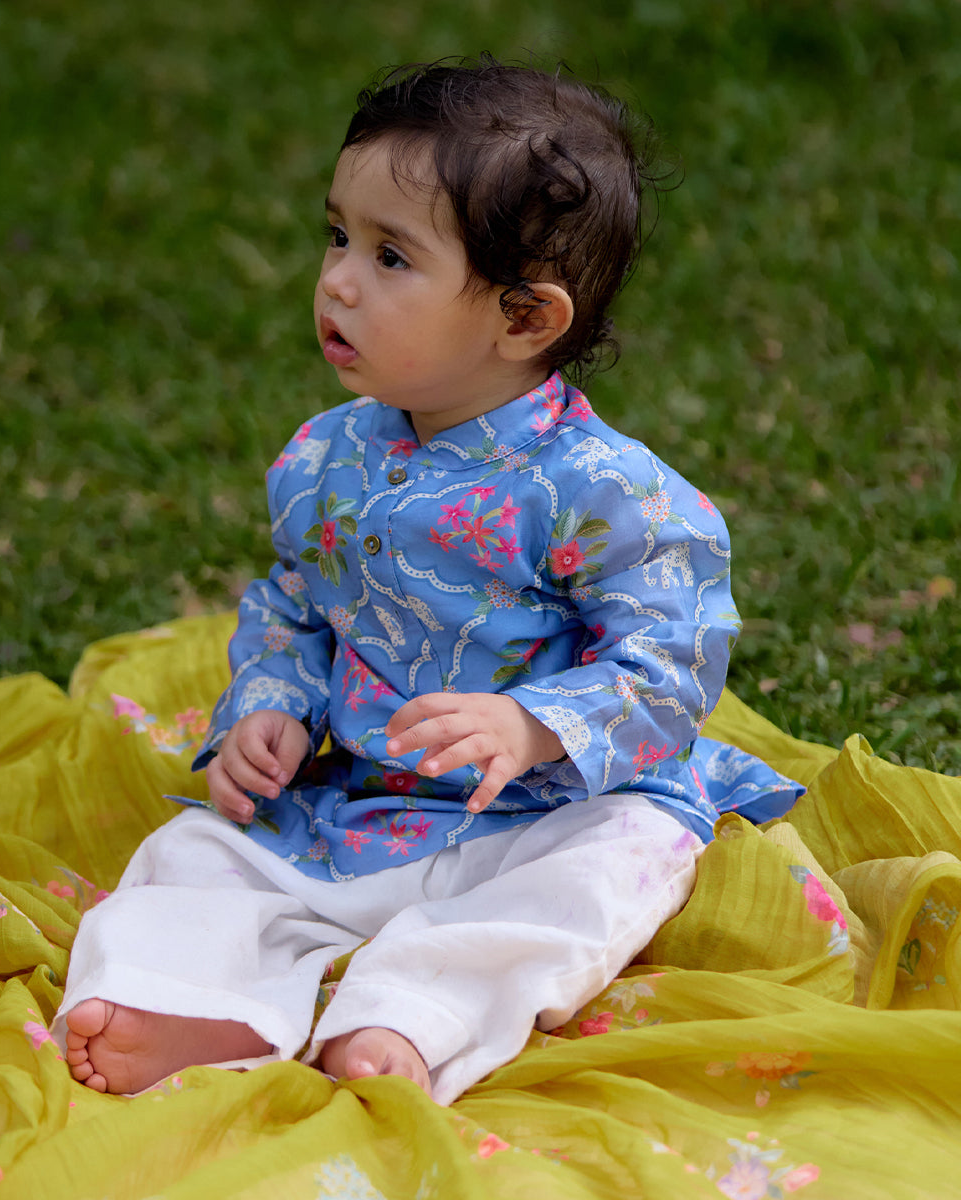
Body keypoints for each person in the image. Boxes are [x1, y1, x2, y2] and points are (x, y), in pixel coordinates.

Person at [57, 57, 801, 1105]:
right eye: (337, 236)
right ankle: (194, 1004)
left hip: (545, 811)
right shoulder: (327, 460)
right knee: (197, 851)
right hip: (358, 804)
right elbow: (295, 608)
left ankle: (412, 1016)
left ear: (522, 319)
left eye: (391, 256)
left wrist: (534, 724)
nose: (338, 281)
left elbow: (670, 664)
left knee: (615, 865)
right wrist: (270, 708)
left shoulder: (607, 494)